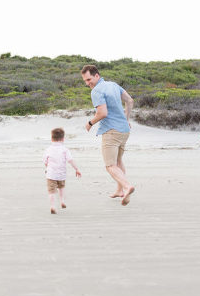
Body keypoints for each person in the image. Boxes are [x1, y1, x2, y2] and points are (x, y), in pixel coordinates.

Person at [81, 65, 135, 206]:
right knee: (118, 161)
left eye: (89, 79)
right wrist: (126, 119)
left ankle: (127, 186)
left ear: (97, 75)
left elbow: (102, 113)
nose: (88, 83)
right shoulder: (113, 85)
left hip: (111, 131)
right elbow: (130, 101)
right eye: (85, 81)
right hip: (124, 130)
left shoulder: (96, 91)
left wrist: (90, 123)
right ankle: (120, 191)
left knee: (110, 165)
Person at [43, 127, 81, 214]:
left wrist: (48, 168)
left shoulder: (48, 149)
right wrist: (77, 169)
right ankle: (62, 201)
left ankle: (52, 206)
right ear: (63, 139)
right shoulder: (65, 149)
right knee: (61, 187)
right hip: (61, 174)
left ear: (51, 138)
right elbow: (70, 160)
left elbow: (45, 161)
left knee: (51, 191)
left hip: (51, 174)